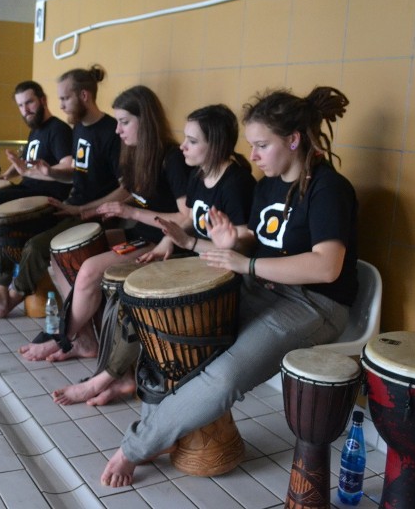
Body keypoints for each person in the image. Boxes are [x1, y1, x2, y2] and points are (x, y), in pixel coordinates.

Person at [101, 86, 358, 487]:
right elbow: (251, 245)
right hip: (264, 286)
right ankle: (159, 432)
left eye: (261, 145)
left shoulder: (328, 188)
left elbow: (327, 267)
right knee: (174, 331)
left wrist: (247, 263)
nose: (252, 156)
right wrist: (208, 244)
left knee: (224, 378)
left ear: (294, 140)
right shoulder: (269, 184)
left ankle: (134, 447)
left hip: (315, 304)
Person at [52, 103, 255, 405]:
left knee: (139, 300)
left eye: (193, 141)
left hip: (215, 273)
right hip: (191, 257)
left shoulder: (237, 182)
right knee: (124, 295)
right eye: (185, 138)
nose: (184, 146)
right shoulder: (200, 176)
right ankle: (119, 376)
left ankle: (103, 378)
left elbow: (243, 243)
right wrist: (168, 241)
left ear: (217, 144)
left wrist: (188, 243)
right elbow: (188, 221)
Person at [25, 85, 190, 363]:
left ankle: (62, 337)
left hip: (161, 244)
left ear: (146, 121)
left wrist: (133, 214)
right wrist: (82, 210)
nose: (117, 130)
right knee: (60, 256)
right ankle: (85, 340)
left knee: (89, 270)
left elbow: (187, 218)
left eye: (125, 122)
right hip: (141, 234)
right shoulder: (136, 154)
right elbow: (128, 195)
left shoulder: (172, 158)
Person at [0, 65, 123, 321]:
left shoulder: (111, 132)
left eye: (65, 98)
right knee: (2, 225)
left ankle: (10, 299)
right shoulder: (79, 129)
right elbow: (75, 174)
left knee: (35, 247)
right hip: (71, 206)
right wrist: (51, 172)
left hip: (92, 214)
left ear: (84, 96)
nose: (61, 105)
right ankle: (0, 293)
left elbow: (126, 189)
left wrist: (84, 210)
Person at [0, 80, 73, 205]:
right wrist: (6, 175)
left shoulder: (58, 129)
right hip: (27, 190)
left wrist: (31, 172)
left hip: (47, 195)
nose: (25, 110)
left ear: (43, 100)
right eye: (20, 105)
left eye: (29, 102)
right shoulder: (35, 131)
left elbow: (68, 165)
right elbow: (25, 162)